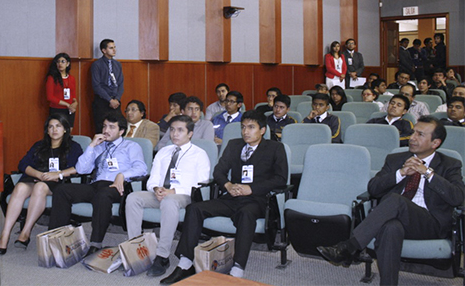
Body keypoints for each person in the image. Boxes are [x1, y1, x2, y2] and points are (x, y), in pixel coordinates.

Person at [317, 116, 464, 286]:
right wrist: (400, 173)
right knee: (390, 227)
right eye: (413, 132)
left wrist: (428, 173)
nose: (412, 137)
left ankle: (350, 247)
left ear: (435, 143)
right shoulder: (396, 159)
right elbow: (373, 188)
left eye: (420, 134)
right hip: (397, 219)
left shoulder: (450, 164)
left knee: (396, 200)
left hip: (429, 224)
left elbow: (457, 197)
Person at [160, 110, 288, 284]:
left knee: (246, 214)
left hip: (257, 199)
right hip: (231, 196)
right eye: (243, 127)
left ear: (263, 130)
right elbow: (218, 171)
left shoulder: (275, 148)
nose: (245, 132)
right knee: (195, 208)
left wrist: (251, 188)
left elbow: (280, 179)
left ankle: (237, 269)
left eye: (251, 127)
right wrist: (228, 185)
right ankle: (185, 262)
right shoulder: (234, 145)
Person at [48, 113, 147, 255]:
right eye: (105, 126)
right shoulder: (99, 146)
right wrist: (92, 146)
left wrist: (122, 175)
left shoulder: (131, 146)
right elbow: (82, 169)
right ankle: (57, 238)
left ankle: (95, 243)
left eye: (111, 127)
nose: (106, 130)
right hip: (96, 184)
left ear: (121, 131)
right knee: (62, 190)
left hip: (117, 186)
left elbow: (141, 168)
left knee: (103, 194)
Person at [125, 115, 210, 277]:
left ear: (190, 133)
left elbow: (201, 183)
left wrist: (174, 191)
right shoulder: (164, 151)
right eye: (172, 130)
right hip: (160, 194)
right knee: (133, 198)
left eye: (180, 130)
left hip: (184, 196)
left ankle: (162, 256)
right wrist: (156, 188)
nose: (175, 134)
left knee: (169, 201)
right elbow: (153, 178)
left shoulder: (199, 154)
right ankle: (136, 250)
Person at [0, 114, 82, 254]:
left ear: (65, 129)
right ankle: (5, 234)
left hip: (58, 181)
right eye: (51, 127)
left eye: (58, 126)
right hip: (36, 176)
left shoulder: (73, 147)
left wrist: (57, 174)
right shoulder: (39, 145)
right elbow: (23, 164)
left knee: (40, 187)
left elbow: (78, 167)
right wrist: (38, 175)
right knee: (20, 187)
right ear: (47, 130)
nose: (54, 130)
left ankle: (25, 232)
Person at [91, 39, 123, 133]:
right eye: (111, 48)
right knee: (102, 128)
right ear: (104, 50)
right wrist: (109, 100)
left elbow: (120, 83)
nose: (114, 50)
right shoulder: (97, 65)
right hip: (102, 101)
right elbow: (96, 86)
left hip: (115, 102)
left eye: (114, 47)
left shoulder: (117, 64)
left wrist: (117, 99)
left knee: (117, 127)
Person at [45, 53, 77, 129]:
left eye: (63, 61)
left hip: (70, 110)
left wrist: (75, 103)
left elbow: (74, 95)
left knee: (68, 132)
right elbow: (50, 97)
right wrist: (66, 104)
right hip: (57, 109)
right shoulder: (51, 78)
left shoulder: (72, 78)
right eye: (58, 61)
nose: (60, 64)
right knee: (59, 132)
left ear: (68, 64)